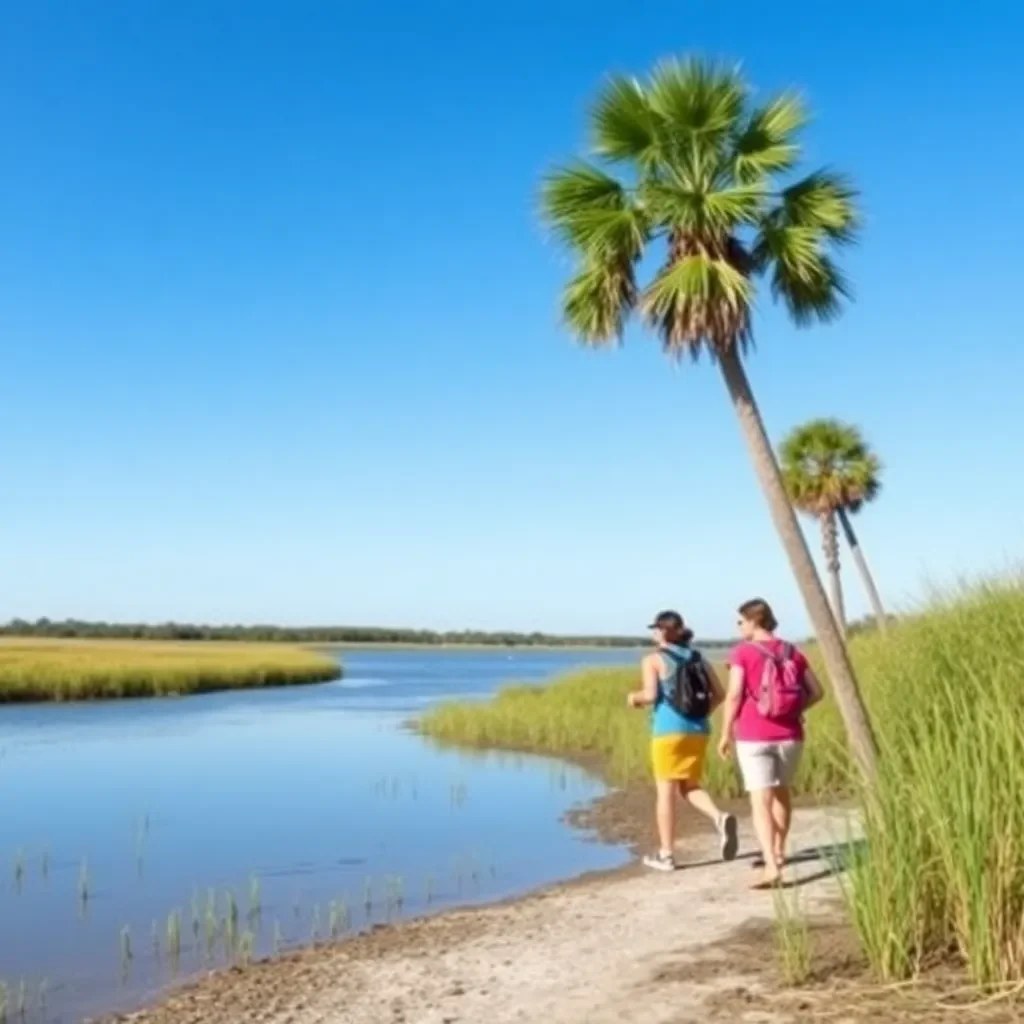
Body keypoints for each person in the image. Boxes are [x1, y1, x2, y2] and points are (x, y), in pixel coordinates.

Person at [718, 598, 824, 889]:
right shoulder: (792, 651)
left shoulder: (743, 652)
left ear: (753, 621)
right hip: (790, 736)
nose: (738, 626)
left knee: (759, 800)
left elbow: (735, 695)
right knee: (781, 793)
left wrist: (726, 732)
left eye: (740, 621)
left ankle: (771, 865)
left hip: (754, 735)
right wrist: (794, 709)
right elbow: (817, 692)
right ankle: (779, 850)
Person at [628, 610, 738, 872]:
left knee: (665, 792)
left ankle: (666, 855)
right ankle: (719, 818)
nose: (654, 633)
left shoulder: (653, 659)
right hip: (698, 731)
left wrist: (633, 698)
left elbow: (651, 695)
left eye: (656, 628)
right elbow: (720, 694)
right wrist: (699, 716)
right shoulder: (698, 658)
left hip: (668, 732)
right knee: (689, 785)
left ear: (664, 631)